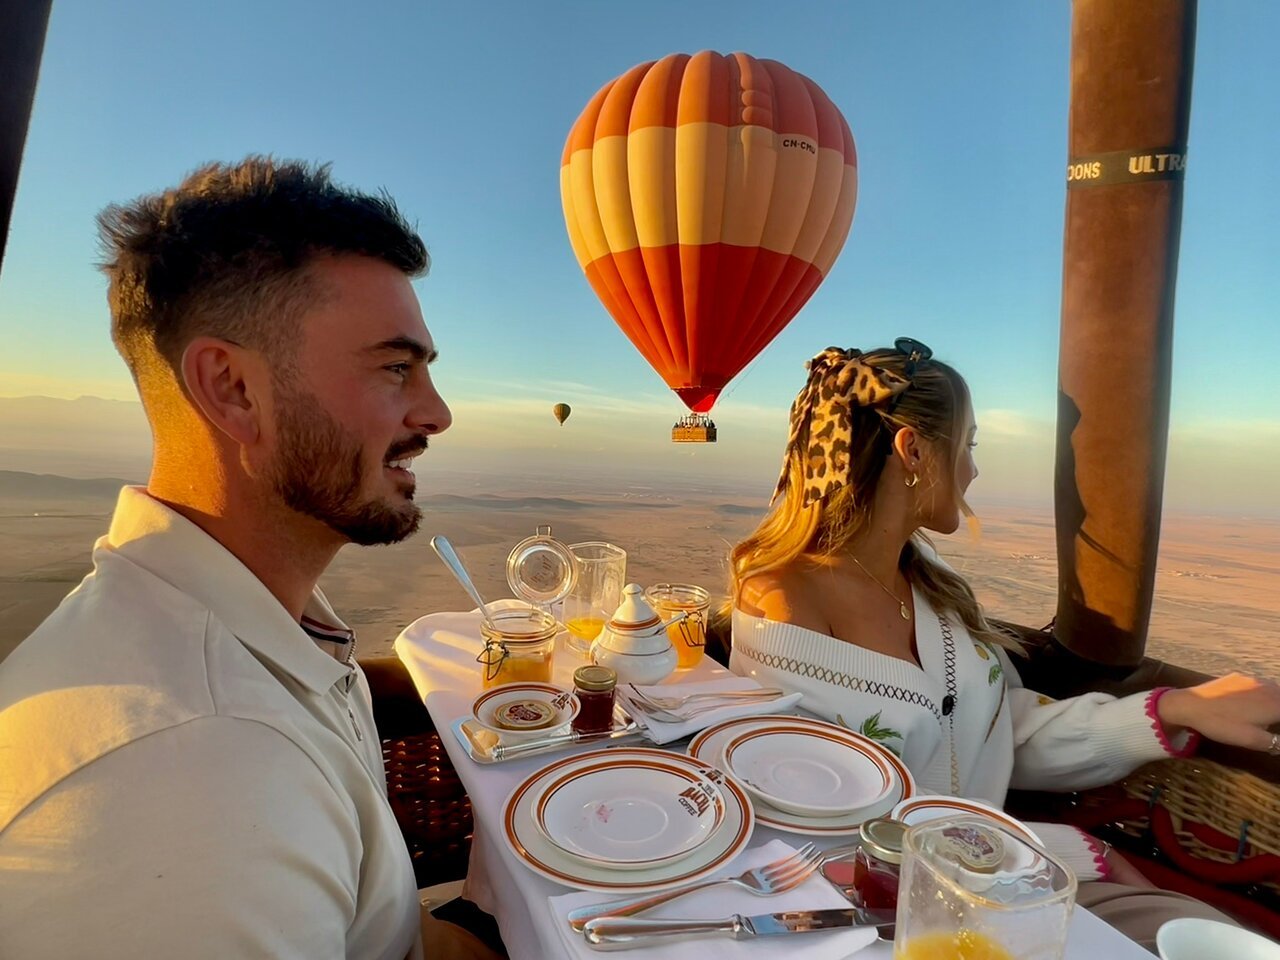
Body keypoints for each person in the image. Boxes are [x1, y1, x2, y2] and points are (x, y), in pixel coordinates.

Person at [0, 158, 500, 960]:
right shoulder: (195, 781)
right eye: (396, 368)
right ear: (232, 388)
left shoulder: (268, 633)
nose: (435, 413)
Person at [729, 339, 1280, 950]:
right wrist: (1046, 854)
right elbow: (807, 818)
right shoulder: (783, 602)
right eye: (968, 446)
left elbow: (1002, 735)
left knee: (1210, 936)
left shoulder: (935, 594)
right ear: (913, 451)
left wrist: (1174, 708)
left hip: (1006, 883)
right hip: (891, 914)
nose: (973, 470)